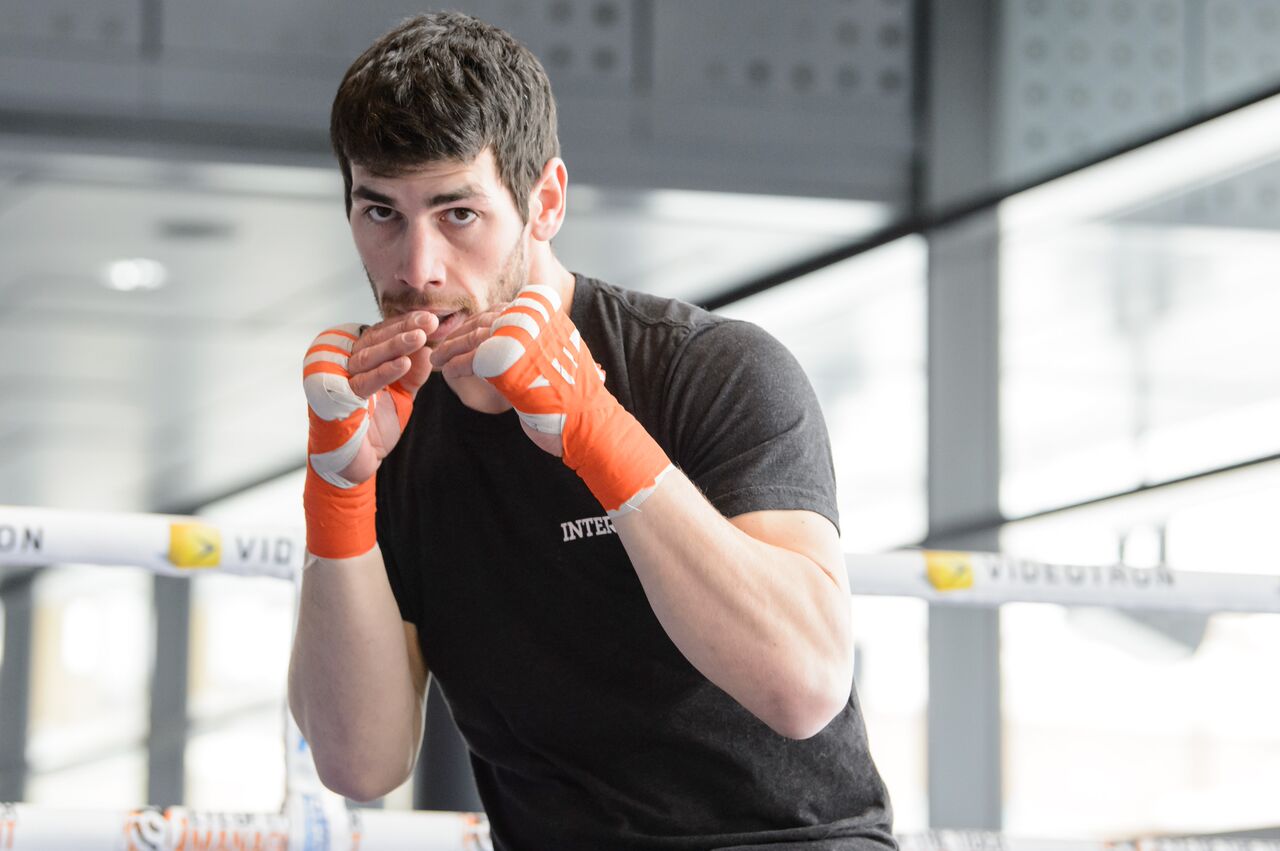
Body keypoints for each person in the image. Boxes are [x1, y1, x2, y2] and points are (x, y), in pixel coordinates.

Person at [288, 11, 894, 850]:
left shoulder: (707, 370)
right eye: (381, 212)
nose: (416, 268)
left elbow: (805, 686)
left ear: (545, 202)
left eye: (458, 213)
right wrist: (340, 491)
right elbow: (361, 762)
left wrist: (599, 432)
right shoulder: (388, 426)